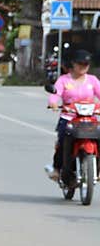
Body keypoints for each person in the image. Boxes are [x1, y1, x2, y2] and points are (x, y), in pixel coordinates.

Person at [45, 48, 100, 181]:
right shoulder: (64, 80)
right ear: (73, 64)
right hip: (69, 118)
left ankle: (97, 169)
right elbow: (55, 93)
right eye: (80, 63)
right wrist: (53, 103)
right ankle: (57, 169)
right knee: (64, 139)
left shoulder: (92, 80)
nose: (82, 67)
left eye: (85, 64)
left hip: (89, 118)